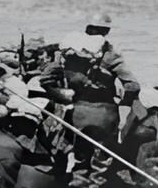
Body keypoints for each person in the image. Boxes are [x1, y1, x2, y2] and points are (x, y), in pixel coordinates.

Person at [60, 12, 141, 162]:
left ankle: (75, 176)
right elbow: (133, 86)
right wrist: (124, 106)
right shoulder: (110, 54)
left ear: (87, 28)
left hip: (76, 113)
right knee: (102, 157)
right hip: (105, 114)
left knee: (75, 153)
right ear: (107, 31)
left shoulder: (70, 50)